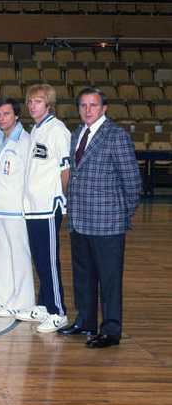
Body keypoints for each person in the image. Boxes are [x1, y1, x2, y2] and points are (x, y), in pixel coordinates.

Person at [58, 88, 142, 348]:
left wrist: (120, 213)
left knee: (109, 279)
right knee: (83, 276)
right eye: (83, 105)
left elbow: (132, 182)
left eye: (93, 105)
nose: (87, 110)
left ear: (104, 108)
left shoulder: (116, 136)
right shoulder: (76, 135)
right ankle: (86, 321)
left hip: (108, 223)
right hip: (80, 220)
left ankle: (111, 330)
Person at [16, 84, 71, 332]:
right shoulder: (36, 130)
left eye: (37, 102)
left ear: (49, 105)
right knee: (39, 258)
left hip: (48, 206)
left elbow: (66, 169)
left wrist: (65, 201)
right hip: (33, 205)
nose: (32, 106)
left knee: (49, 260)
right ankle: (44, 305)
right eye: (29, 102)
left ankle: (58, 311)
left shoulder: (58, 131)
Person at [0, 99, 34, 318]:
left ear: (16, 116)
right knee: (2, 256)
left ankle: (22, 302)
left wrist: (26, 205)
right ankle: (2, 298)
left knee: (19, 256)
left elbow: (30, 177)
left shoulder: (25, 141)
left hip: (16, 209)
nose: (1, 118)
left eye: (5, 114)